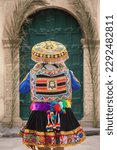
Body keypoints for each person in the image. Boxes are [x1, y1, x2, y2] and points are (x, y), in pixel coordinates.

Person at [18, 41, 86, 150]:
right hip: (61, 112)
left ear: (41, 58)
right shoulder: (67, 72)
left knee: (42, 144)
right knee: (59, 144)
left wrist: (34, 69)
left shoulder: (33, 73)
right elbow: (77, 86)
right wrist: (65, 68)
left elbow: (22, 89)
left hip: (40, 113)